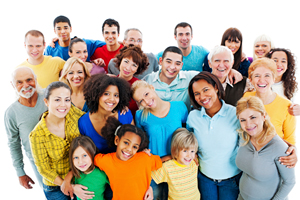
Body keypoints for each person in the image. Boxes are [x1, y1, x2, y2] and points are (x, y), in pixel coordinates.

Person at [187, 71, 241, 200]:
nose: (202, 96)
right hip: (205, 178)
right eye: (197, 94)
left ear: (216, 88)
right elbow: (189, 141)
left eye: (206, 90)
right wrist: (192, 152)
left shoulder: (235, 114)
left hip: (231, 179)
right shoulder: (193, 116)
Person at [132, 80, 188, 200]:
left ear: (152, 87)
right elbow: (141, 142)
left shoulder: (179, 106)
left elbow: (188, 134)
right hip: (155, 168)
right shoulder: (140, 115)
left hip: (177, 165)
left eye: (146, 94)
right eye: (141, 100)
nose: (146, 101)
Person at [29, 81, 85, 200]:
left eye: (67, 100)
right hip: (55, 187)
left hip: (79, 176)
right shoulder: (37, 135)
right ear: (46, 102)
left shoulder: (72, 112)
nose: (63, 105)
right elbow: (44, 169)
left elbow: (91, 119)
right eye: (57, 100)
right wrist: (67, 184)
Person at [235, 96, 295, 200]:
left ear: (264, 116)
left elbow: (289, 182)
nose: (248, 124)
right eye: (243, 120)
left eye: (253, 117)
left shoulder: (279, 147)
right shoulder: (244, 138)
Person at [94, 116, 162, 200]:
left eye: (135, 147)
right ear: (117, 140)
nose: (129, 149)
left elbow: (159, 162)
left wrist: (148, 183)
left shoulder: (145, 158)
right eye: (126, 142)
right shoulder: (105, 160)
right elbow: (92, 160)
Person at [4, 67, 47, 191]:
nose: (26, 85)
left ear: (36, 79)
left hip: (65, 157)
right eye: (19, 82)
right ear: (13, 85)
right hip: (40, 165)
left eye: (29, 80)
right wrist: (20, 172)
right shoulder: (11, 113)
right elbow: (13, 144)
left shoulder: (49, 96)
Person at [244, 58, 296, 145]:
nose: (262, 80)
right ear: (251, 80)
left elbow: (290, 140)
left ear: (273, 79)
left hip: (275, 154)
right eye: (257, 76)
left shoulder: (286, 106)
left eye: (267, 75)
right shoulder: (246, 97)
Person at [78, 74, 133, 153]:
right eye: (106, 94)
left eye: (116, 95)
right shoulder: (83, 122)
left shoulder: (124, 114)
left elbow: (135, 140)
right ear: (96, 95)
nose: (112, 99)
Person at [143, 46, 199, 110]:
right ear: (161, 61)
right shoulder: (147, 80)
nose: (172, 67)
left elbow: (210, 77)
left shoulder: (189, 77)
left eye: (177, 64)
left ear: (181, 65)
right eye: (168, 62)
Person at [151, 128, 200, 200]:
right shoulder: (167, 167)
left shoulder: (194, 163)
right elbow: (150, 176)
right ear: (175, 150)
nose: (189, 155)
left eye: (192, 151)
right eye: (185, 151)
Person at [69, 136, 109, 200]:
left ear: (92, 152)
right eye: (76, 157)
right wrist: (72, 187)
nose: (80, 162)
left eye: (84, 155)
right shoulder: (75, 174)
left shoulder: (102, 173)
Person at [115, 46, 149, 116]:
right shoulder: (111, 82)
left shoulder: (139, 86)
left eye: (134, 65)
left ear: (137, 69)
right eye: (126, 62)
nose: (128, 68)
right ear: (120, 60)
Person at [266, 48, 300, 116]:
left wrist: (296, 109)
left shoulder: (290, 86)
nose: (279, 64)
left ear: (287, 66)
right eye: (275, 60)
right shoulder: (260, 83)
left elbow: (291, 107)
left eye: (283, 61)